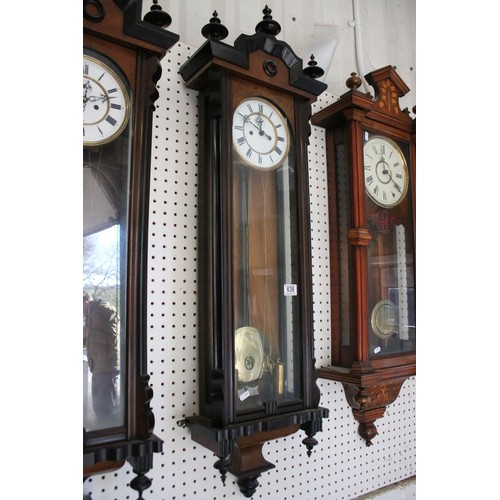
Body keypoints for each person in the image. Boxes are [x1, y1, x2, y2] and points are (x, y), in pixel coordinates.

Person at [83, 292, 120, 418]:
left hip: (107, 367)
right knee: (99, 409)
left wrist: (89, 333)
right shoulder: (90, 314)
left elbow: (112, 339)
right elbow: (91, 340)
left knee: (107, 410)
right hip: (98, 366)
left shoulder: (104, 310)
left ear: (85, 302)